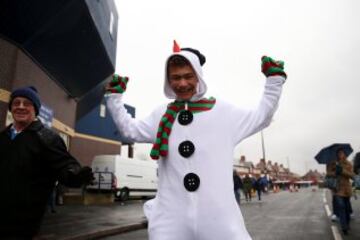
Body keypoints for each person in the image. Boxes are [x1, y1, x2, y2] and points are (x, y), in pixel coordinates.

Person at [105, 41, 286, 240]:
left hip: (219, 219)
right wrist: (114, 98)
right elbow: (129, 131)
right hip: (171, 219)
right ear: (168, 81)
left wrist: (274, 82)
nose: (182, 83)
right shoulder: (161, 115)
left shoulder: (223, 112)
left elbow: (262, 117)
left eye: (188, 76)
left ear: (198, 77)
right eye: (175, 77)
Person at [0, 86, 95, 239]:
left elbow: (64, 165)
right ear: (10, 108)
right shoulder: (3, 136)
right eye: (16, 103)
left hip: (24, 221)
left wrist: (75, 174)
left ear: (35, 109)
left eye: (27, 103)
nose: (21, 107)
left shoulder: (47, 138)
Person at [327, 148, 355, 235]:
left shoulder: (348, 163)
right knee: (341, 207)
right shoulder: (332, 163)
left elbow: (352, 175)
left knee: (347, 209)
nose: (340, 155)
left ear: (344, 154)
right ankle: (344, 227)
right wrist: (335, 172)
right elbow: (328, 173)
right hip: (337, 189)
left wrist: (342, 171)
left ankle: (347, 223)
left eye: (341, 153)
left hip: (346, 189)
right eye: (338, 153)